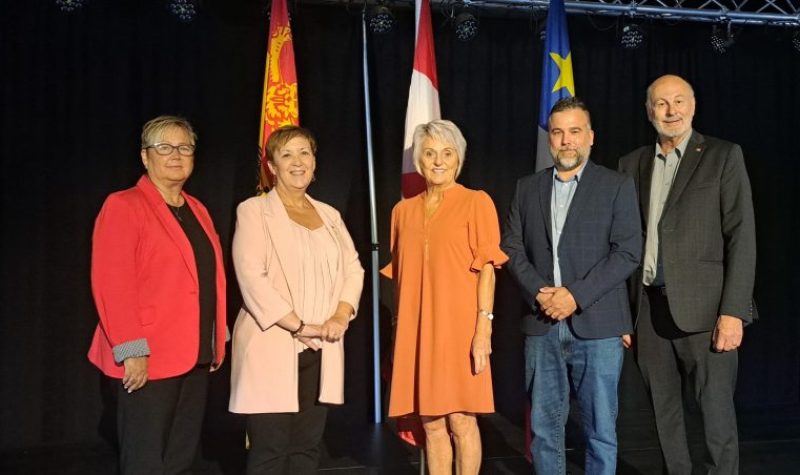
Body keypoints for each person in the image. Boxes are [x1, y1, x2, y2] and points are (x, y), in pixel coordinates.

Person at [618, 74, 757, 475]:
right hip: (649, 311)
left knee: (716, 420)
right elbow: (624, 242)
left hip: (708, 313)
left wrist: (734, 311)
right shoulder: (631, 164)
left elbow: (741, 236)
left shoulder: (722, 155)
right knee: (665, 418)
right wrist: (625, 315)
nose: (671, 111)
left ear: (693, 107)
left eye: (679, 101)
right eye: (661, 103)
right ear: (649, 111)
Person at [501, 97, 641, 475]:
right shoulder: (526, 187)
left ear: (590, 137)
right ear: (550, 139)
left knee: (600, 431)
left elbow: (628, 252)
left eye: (575, 132)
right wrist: (543, 294)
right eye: (558, 132)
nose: (566, 141)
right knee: (545, 431)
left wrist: (574, 296)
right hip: (542, 323)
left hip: (598, 326)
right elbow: (512, 248)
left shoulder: (616, 185)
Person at [88, 115, 227, 474]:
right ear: (145, 157)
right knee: (145, 457)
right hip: (148, 355)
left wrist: (217, 335)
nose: (176, 155)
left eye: (184, 148)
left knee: (180, 455)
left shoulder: (198, 209)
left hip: (195, 351)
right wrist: (132, 349)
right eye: (164, 148)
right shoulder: (124, 205)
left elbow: (209, 279)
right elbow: (112, 284)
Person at [229, 125, 364, 474]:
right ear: (272, 166)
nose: (298, 162)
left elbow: (353, 269)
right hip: (272, 343)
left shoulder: (330, 215)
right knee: (271, 450)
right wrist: (300, 326)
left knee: (307, 447)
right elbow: (251, 278)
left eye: (305, 153)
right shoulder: (253, 211)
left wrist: (339, 316)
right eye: (286, 154)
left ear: (315, 162)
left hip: (323, 345)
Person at [381, 119, 508, 475]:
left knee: (462, 422)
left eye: (447, 153)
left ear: (459, 160)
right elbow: (399, 280)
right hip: (416, 335)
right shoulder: (401, 212)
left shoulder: (476, 202)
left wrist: (483, 330)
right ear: (419, 161)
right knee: (432, 425)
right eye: (430, 153)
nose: (438, 161)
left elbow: (488, 269)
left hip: (460, 330)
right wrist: (397, 336)